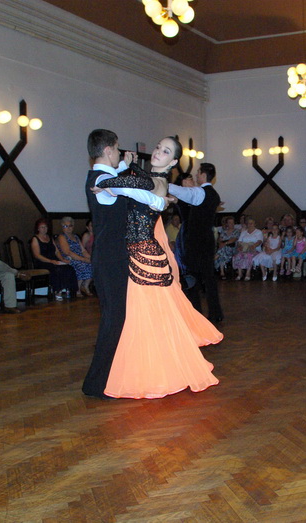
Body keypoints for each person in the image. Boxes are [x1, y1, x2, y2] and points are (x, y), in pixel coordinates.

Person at [96, 136, 221, 399]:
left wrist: (106, 182)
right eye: (157, 148)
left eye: (165, 151)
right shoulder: (153, 179)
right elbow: (136, 180)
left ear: (173, 162)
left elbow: (132, 184)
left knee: (149, 316)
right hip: (140, 254)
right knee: (149, 317)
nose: (157, 153)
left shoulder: (158, 182)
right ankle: (157, 370)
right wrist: (127, 168)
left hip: (145, 256)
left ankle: (159, 373)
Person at [80, 129, 168, 399]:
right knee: (114, 318)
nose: (119, 153)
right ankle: (97, 384)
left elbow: (123, 183)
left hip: (112, 256)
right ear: (108, 150)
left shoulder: (103, 177)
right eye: (117, 149)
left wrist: (122, 167)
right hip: (110, 257)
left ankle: (108, 380)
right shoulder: (102, 179)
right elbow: (135, 188)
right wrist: (159, 200)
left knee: (117, 317)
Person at [169, 162, 225, 323]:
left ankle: (195, 312)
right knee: (208, 278)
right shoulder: (213, 194)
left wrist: (161, 181)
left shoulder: (199, 192)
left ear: (203, 175)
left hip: (195, 242)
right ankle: (215, 313)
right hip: (207, 240)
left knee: (192, 276)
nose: (195, 175)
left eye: (198, 172)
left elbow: (179, 191)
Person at [30, 218, 78, 300]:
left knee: (69, 268)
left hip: (54, 260)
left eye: (45, 227)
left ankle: (70, 290)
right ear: (38, 228)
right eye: (42, 227)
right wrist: (50, 261)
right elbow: (37, 255)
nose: (44, 229)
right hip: (43, 262)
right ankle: (57, 291)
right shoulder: (35, 239)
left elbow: (56, 251)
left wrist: (62, 259)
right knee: (56, 269)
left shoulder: (49, 238)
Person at [57, 216, 93, 297]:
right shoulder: (62, 237)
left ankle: (85, 286)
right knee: (81, 265)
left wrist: (90, 258)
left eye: (70, 226)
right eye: (65, 226)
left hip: (79, 257)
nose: (68, 228)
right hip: (69, 258)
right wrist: (83, 259)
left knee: (92, 264)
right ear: (62, 227)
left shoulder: (76, 237)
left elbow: (83, 250)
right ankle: (77, 289)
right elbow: (67, 252)